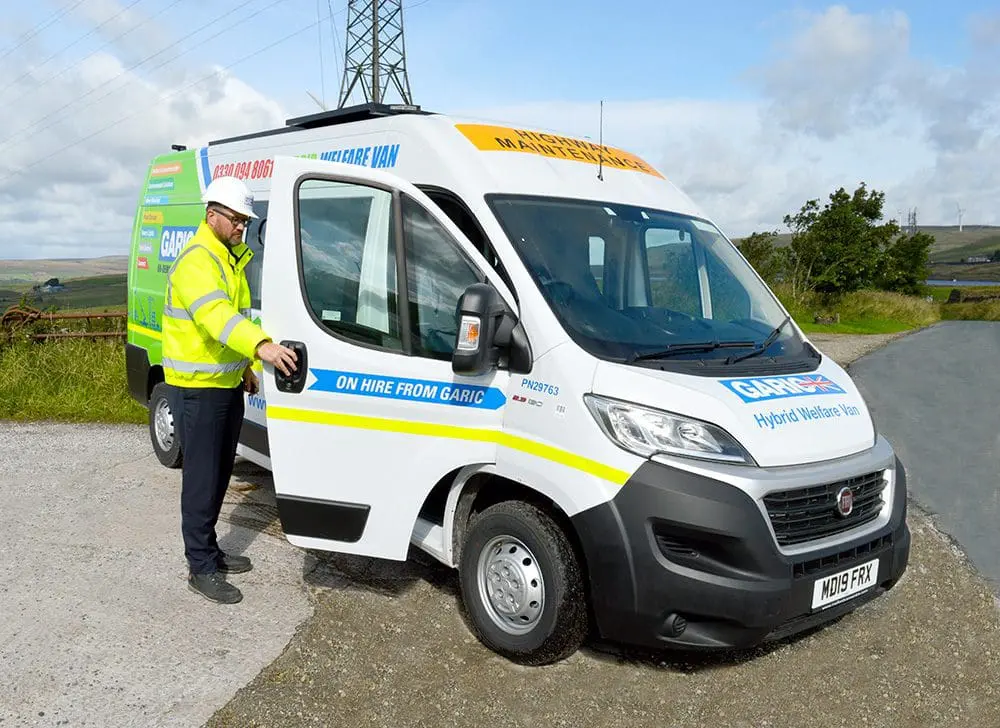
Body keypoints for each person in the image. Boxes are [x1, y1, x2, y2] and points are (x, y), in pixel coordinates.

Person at [162, 176, 298, 604]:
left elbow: (223, 331)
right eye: (237, 219)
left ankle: (211, 551)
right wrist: (262, 346)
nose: (242, 226)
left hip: (223, 386)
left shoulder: (227, 256)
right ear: (212, 215)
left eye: (245, 220)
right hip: (197, 391)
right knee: (202, 480)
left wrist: (243, 370)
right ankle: (199, 566)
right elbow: (218, 318)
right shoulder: (197, 260)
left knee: (219, 475)